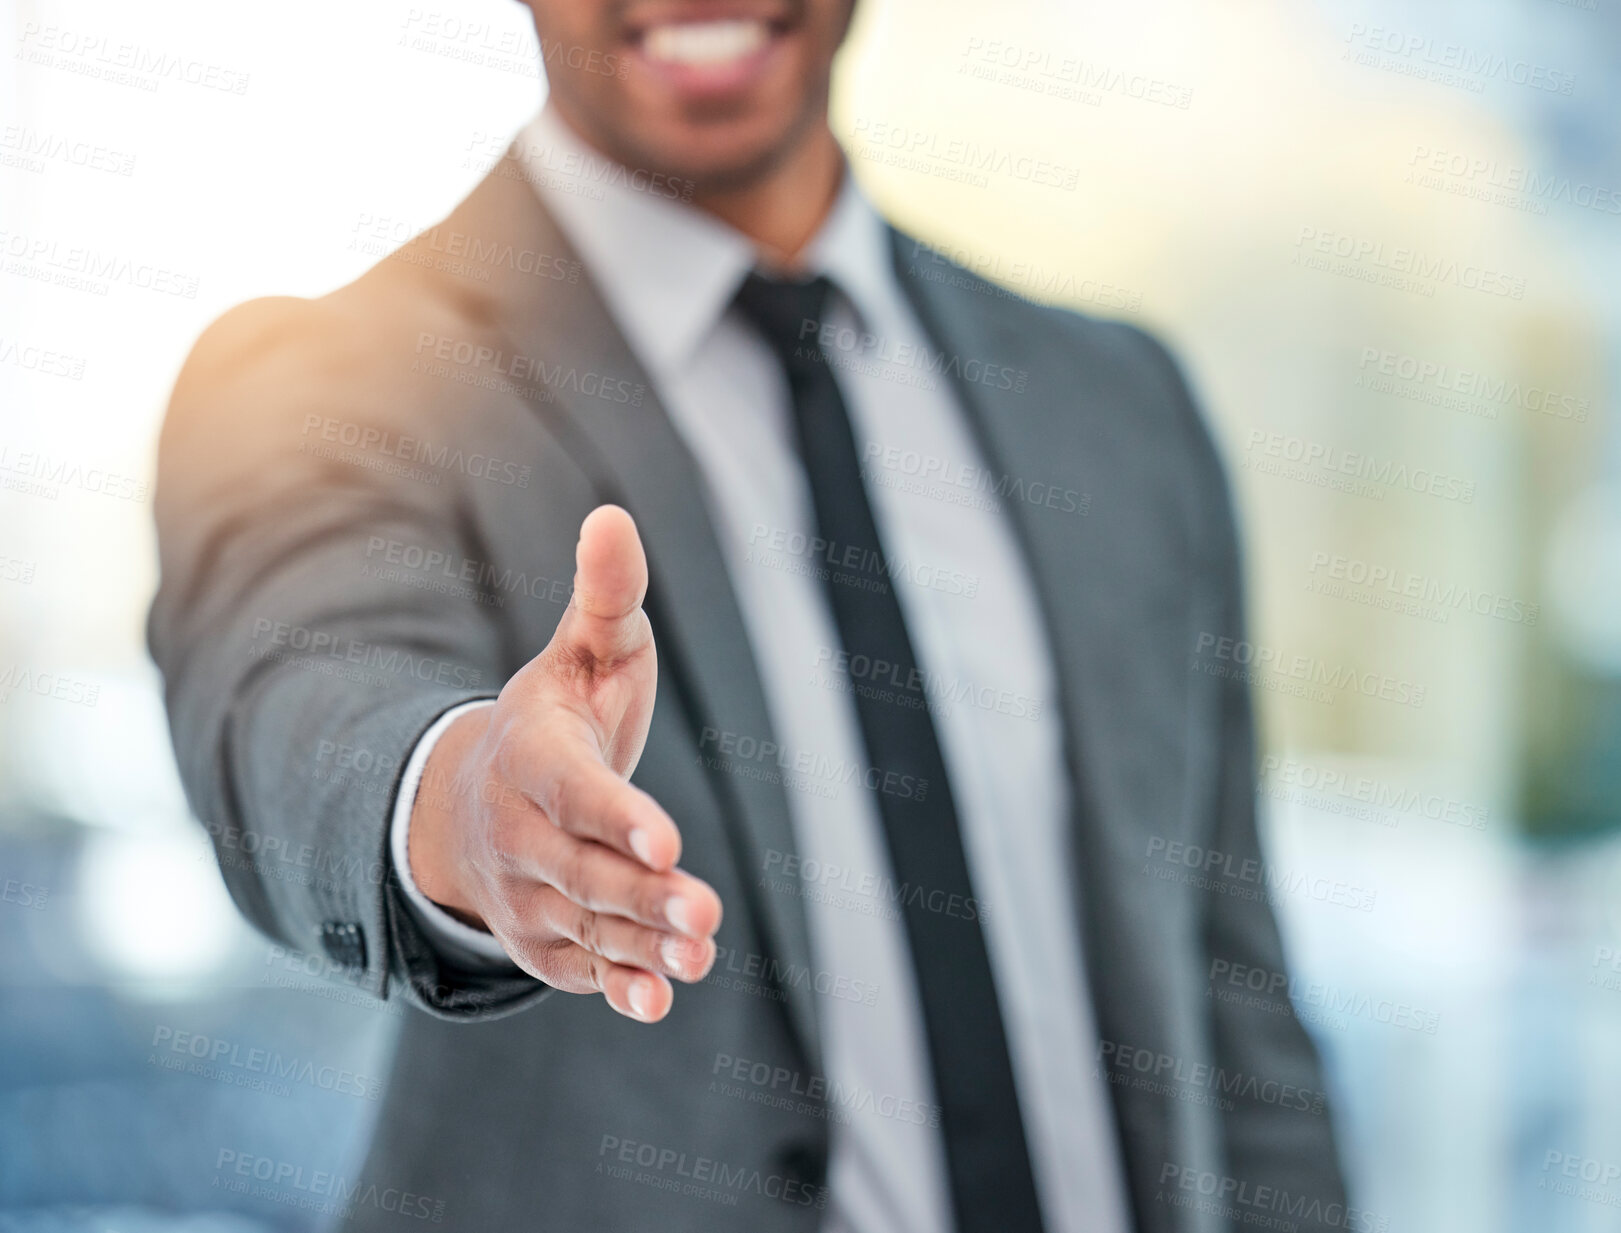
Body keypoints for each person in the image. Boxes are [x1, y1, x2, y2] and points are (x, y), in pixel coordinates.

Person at [148, 2, 1348, 1230]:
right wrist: (463, 805)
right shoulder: (328, 381)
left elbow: (1236, 1012)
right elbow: (296, 699)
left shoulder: (1118, 408)